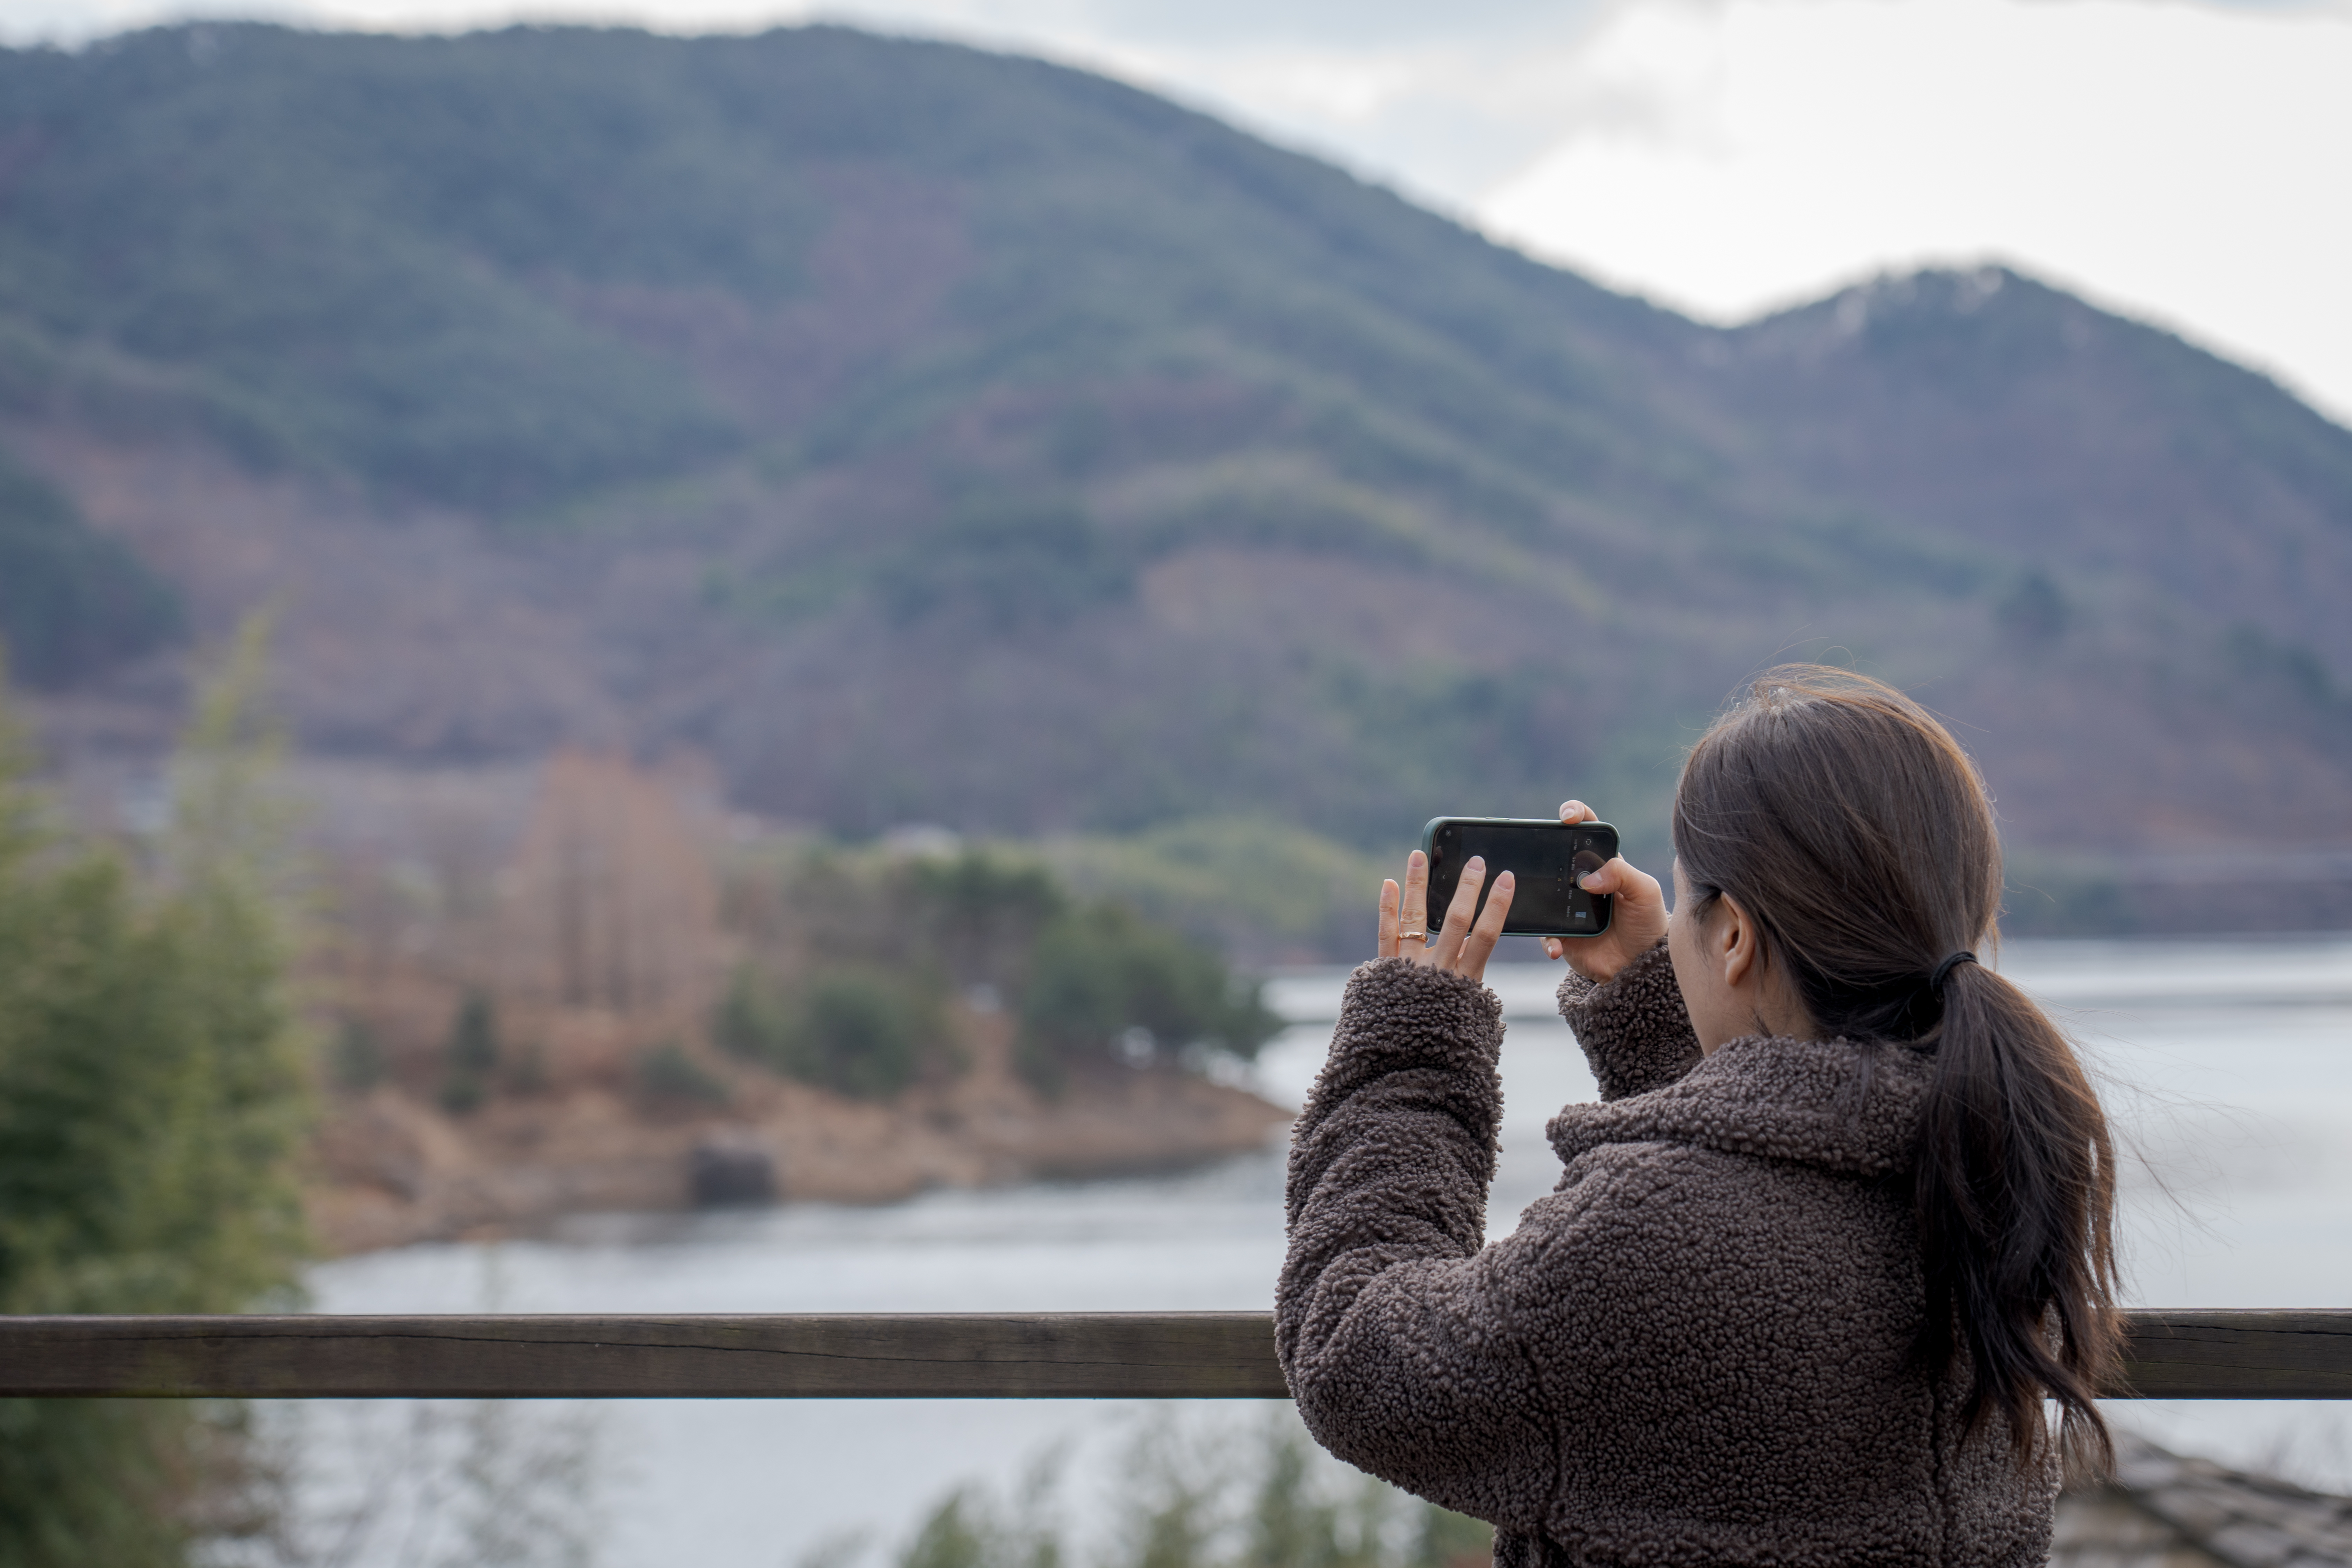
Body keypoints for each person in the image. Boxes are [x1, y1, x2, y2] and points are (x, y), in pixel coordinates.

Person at [1277, 665, 2119, 1568]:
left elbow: (1354, 1350)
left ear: (1735, 937)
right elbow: (1771, 1199)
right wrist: (1664, 1013)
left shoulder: (1637, 1239)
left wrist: (1414, 1045)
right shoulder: (1997, 1161)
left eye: (1689, 904)